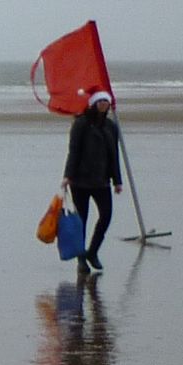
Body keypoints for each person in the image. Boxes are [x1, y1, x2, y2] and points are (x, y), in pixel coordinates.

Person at [62, 89, 124, 274]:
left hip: (101, 181)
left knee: (106, 216)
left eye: (106, 102)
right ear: (94, 104)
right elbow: (73, 151)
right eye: (100, 102)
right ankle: (81, 260)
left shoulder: (111, 126)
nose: (104, 105)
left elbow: (114, 155)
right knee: (81, 220)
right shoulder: (81, 123)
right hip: (80, 181)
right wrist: (67, 175)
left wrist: (117, 180)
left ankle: (93, 251)